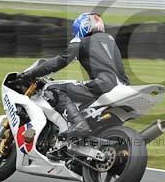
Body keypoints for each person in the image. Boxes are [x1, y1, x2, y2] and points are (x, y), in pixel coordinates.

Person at [19, 12, 130, 140]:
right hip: (122, 86)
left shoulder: (80, 41)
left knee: (53, 88)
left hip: (102, 84)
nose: (74, 33)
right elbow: (120, 68)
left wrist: (31, 73)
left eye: (75, 29)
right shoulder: (110, 40)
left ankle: (79, 123)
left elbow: (60, 61)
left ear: (83, 26)